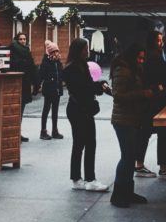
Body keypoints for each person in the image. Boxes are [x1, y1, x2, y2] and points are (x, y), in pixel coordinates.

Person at [109, 44, 153, 209]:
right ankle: (119, 195)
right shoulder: (123, 70)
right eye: (139, 58)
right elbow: (118, 96)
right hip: (123, 120)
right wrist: (142, 94)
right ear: (131, 57)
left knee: (129, 157)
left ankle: (127, 192)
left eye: (143, 58)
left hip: (131, 119)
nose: (141, 61)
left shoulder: (132, 69)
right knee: (127, 157)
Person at [64, 37, 109, 192]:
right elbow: (83, 88)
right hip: (80, 110)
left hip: (80, 109)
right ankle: (88, 179)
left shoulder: (79, 65)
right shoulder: (73, 68)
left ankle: (78, 178)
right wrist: (98, 88)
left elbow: (87, 86)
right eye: (85, 48)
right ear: (79, 50)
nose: (87, 51)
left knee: (82, 143)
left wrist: (98, 85)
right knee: (86, 143)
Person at [136, 30, 166, 179]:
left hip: (151, 100)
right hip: (152, 100)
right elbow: (163, 72)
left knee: (147, 132)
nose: (161, 43)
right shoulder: (154, 56)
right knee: (156, 131)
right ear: (152, 41)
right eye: (158, 40)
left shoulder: (152, 54)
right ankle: (159, 166)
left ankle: (141, 164)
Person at [8, 32, 37, 143]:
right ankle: (13, 134)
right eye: (21, 39)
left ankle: (17, 133)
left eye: (24, 39)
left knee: (21, 110)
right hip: (15, 84)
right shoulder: (13, 50)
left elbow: (32, 67)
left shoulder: (27, 51)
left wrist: (35, 83)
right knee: (14, 110)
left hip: (25, 84)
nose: (23, 41)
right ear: (17, 40)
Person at [38, 40, 65, 140]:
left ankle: (55, 130)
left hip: (57, 89)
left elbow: (61, 74)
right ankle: (43, 131)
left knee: (55, 111)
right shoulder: (46, 62)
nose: (56, 53)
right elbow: (41, 75)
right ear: (49, 52)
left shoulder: (58, 62)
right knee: (46, 109)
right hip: (49, 89)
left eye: (57, 51)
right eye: (54, 51)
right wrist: (37, 86)